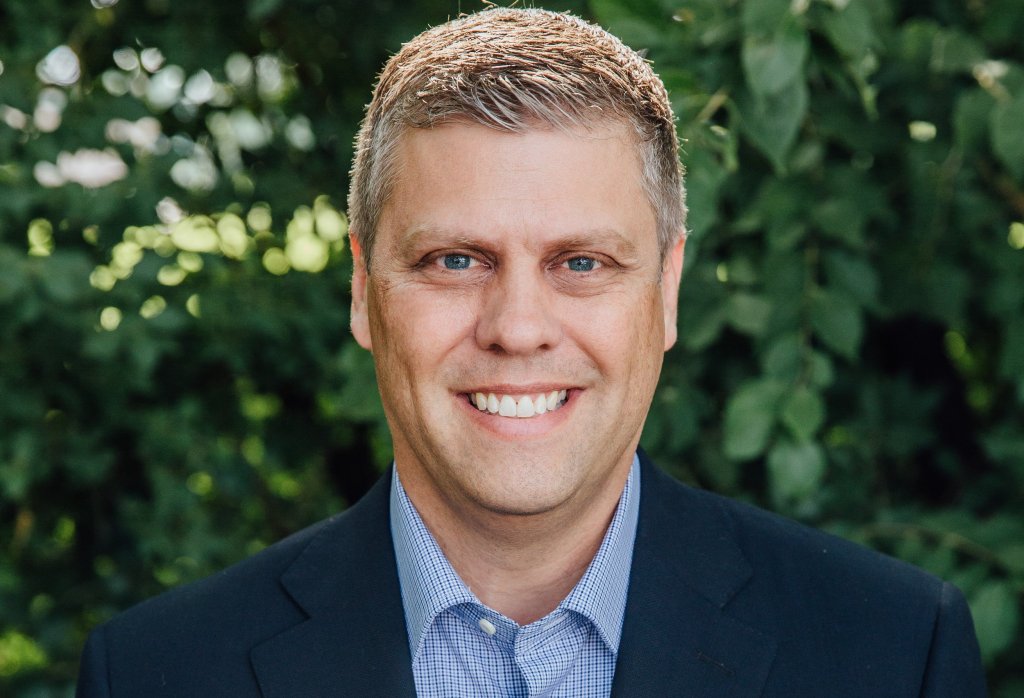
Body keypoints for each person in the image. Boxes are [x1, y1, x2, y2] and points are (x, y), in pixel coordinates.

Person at [76, 8, 987, 697]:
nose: (517, 326)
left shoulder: (896, 652)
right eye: (455, 260)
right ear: (363, 289)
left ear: (666, 292)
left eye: (581, 262)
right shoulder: (157, 672)